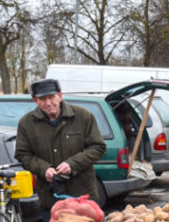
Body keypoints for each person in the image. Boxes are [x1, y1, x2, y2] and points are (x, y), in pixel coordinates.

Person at [14, 78, 106, 214]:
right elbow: (22, 154)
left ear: (60, 96)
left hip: (82, 196)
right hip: (50, 198)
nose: (48, 103)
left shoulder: (83, 117)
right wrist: (44, 169)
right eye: (42, 99)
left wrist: (72, 164)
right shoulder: (26, 124)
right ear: (35, 100)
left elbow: (98, 147)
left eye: (52, 97)